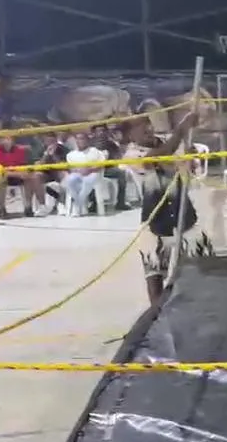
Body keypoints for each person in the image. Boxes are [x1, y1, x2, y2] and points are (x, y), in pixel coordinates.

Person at [124, 114, 211, 303]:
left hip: (186, 219)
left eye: (148, 123)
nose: (147, 129)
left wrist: (189, 154)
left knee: (201, 271)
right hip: (155, 225)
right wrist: (181, 129)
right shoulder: (131, 155)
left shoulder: (171, 143)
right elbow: (157, 158)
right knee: (154, 276)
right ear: (130, 135)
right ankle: (157, 313)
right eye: (139, 127)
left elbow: (188, 170)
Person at [0, 134, 42, 218]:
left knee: (30, 177)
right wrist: (18, 174)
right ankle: (2, 209)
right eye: (5, 138)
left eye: (9, 138)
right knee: (1, 179)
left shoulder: (19, 150)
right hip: (0, 175)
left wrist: (24, 173)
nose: (8, 141)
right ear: (0, 140)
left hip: (15, 174)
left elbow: (23, 165)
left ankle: (28, 207)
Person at [63, 133, 106, 215]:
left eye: (82, 138)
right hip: (78, 174)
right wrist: (78, 170)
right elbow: (70, 168)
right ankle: (79, 204)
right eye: (78, 139)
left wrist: (90, 169)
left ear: (87, 140)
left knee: (88, 180)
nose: (80, 141)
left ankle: (77, 205)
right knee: (70, 180)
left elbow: (101, 165)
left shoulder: (95, 151)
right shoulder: (70, 154)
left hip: (93, 173)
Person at [91, 123, 130, 211]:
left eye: (103, 131)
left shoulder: (111, 144)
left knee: (121, 173)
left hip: (107, 169)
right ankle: (94, 203)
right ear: (94, 133)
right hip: (92, 170)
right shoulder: (90, 144)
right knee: (92, 177)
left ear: (106, 132)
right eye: (98, 131)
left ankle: (121, 202)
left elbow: (118, 158)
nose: (101, 133)